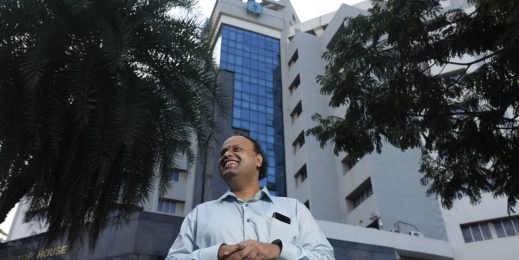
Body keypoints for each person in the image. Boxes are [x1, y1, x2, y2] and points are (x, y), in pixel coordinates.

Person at [166, 135, 335, 259]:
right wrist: (216, 253)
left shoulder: (295, 209)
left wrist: (277, 251)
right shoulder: (199, 214)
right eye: (223, 152)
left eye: (236, 149)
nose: (226, 154)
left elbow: (325, 256)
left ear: (258, 160)